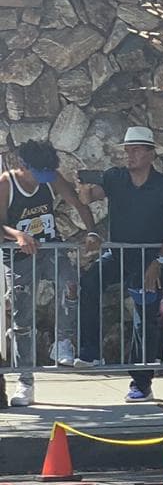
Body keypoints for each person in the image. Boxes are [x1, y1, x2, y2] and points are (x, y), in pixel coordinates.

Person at [78, 127, 163, 401]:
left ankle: (141, 383)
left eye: (137, 149)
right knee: (90, 282)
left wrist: (159, 262)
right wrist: (85, 193)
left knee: (143, 321)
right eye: (127, 149)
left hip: (150, 261)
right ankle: (90, 353)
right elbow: (93, 194)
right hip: (118, 255)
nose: (130, 154)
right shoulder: (115, 177)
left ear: (151, 154)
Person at [0, 140, 101, 406]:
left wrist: (92, 231)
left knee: (70, 285)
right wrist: (17, 234)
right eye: (39, 171)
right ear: (24, 166)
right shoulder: (7, 184)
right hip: (19, 257)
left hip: (50, 248)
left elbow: (79, 204)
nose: (45, 177)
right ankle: (25, 381)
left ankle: (63, 341)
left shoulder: (51, 177)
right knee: (23, 319)